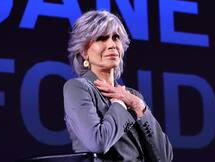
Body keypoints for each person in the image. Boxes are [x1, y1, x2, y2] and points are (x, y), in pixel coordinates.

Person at [63, 10, 173, 162]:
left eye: (116, 38)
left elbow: (164, 158)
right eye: (101, 38)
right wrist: (119, 104)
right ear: (83, 52)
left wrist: (138, 105)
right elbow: (98, 143)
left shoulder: (132, 96)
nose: (111, 45)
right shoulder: (78, 88)